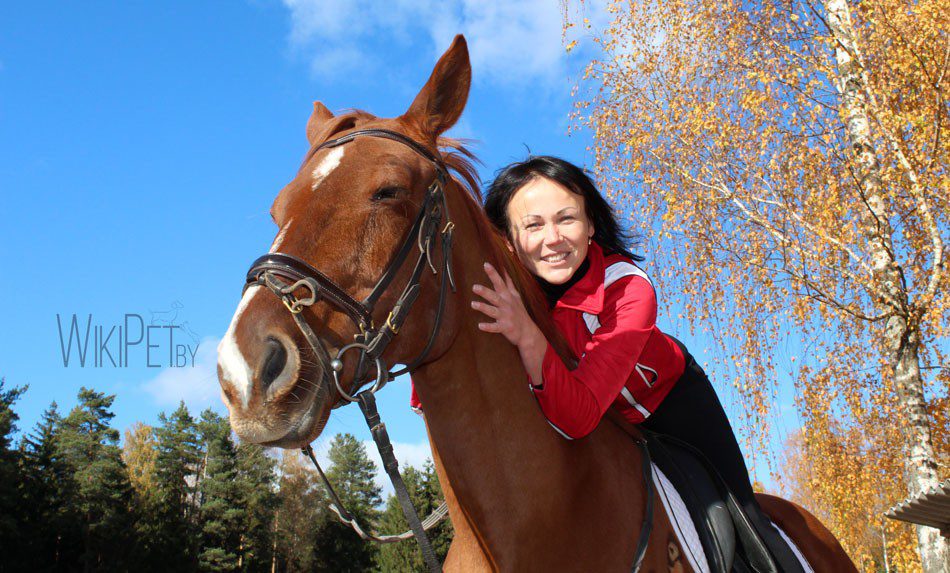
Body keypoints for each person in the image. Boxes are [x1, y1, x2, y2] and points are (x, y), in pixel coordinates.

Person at [465, 156, 803, 572]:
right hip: (601, 426)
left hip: (668, 404)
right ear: (509, 240)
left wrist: (528, 336)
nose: (552, 238)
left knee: (743, 517)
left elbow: (579, 415)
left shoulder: (628, 288)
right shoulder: (503, 290)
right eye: (533, 225)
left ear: (590, 225)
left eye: (566, 219)